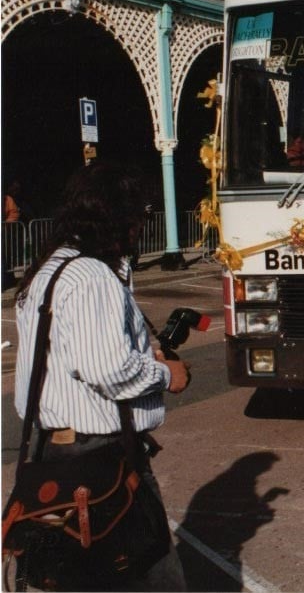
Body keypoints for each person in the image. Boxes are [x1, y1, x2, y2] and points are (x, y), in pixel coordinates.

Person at [12, 163, 190, 590]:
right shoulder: (93, 277)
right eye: (140, 214)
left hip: (53, 452)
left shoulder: (51, 268)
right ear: (116, 216)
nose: (140, 226)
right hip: (102, 460)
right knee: (152, 576)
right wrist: (166, 374)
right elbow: (108, 370)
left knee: (73, 577)